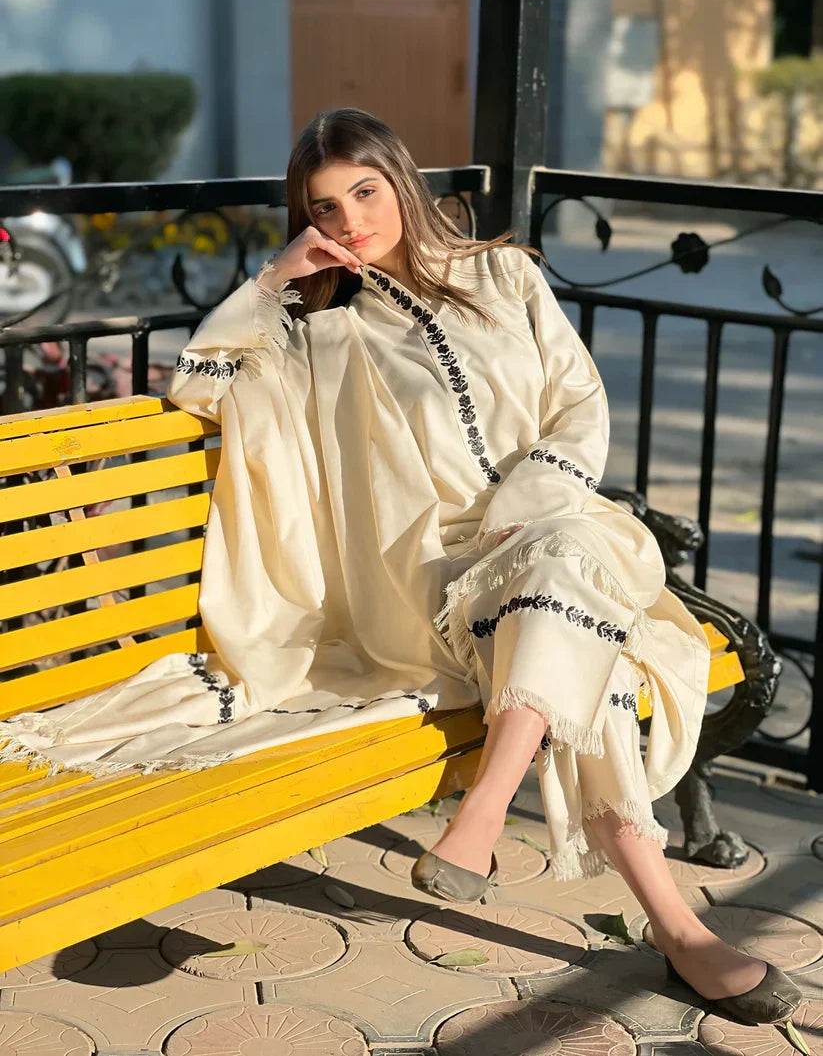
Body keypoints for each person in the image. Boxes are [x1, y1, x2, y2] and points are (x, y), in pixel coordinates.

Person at [0, 108, 801, 1026]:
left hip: (552, 528)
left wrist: (526, 505)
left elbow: (578, 404)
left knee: (561, 569)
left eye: (365, 191)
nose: (350, 221)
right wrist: (274, 279)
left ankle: (489, 815)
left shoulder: (505, 276)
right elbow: (199, 384)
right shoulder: (319, 335)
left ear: (402, 181)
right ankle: (676, 927)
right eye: (324, 208)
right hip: (431, 588)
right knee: (588, 638)